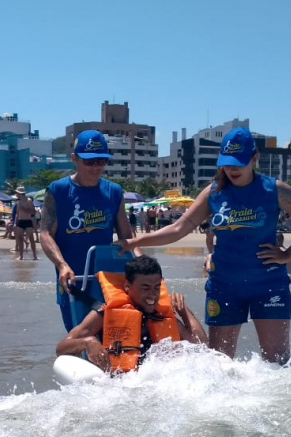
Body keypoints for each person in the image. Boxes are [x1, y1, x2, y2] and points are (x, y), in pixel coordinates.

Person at [117, 127, 291, 364]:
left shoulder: (274, 190)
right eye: (227, 163)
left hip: (269, 284)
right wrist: (135, 242)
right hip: (224, 286)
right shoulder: (213, 193)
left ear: (254, 159)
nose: (232, 169)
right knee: (220, 364)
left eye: (239, 163)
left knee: (276, 362)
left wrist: (288, 255)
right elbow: (178, 229)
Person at [40, 130, 140, 331]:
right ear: (74, 159)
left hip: (107, 279)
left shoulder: (114, 191)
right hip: (72, 280)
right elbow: (45, 234)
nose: (96, 167)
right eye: (89, 161)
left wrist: (143, 266)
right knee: (78, 336)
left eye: (101, 161)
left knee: (113, 339)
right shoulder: (58, 190)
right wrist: (61, 265)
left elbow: (126, 237)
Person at [55, 255, 207, 373]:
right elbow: (61, 348)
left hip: (159, 383)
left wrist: (184, 311)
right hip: (120, 384)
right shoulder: (105, 314)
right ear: (127, 286)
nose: (153, 295)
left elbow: (202, 347)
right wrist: (87, 342)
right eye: (145, 288)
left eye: (157, 288)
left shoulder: (163, 314)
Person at [14, 187, 39, 260]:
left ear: (20, 193)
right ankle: (21, 256)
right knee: (20, 239)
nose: (16, 194)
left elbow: (33, 212)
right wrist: (15, 223)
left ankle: (34, 255)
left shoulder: (29, 200)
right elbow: (17, 213)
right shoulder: (18, 202)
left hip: (28, 221)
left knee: (31, 239)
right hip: (20, 221)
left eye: (17, 193)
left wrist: (24, 209)